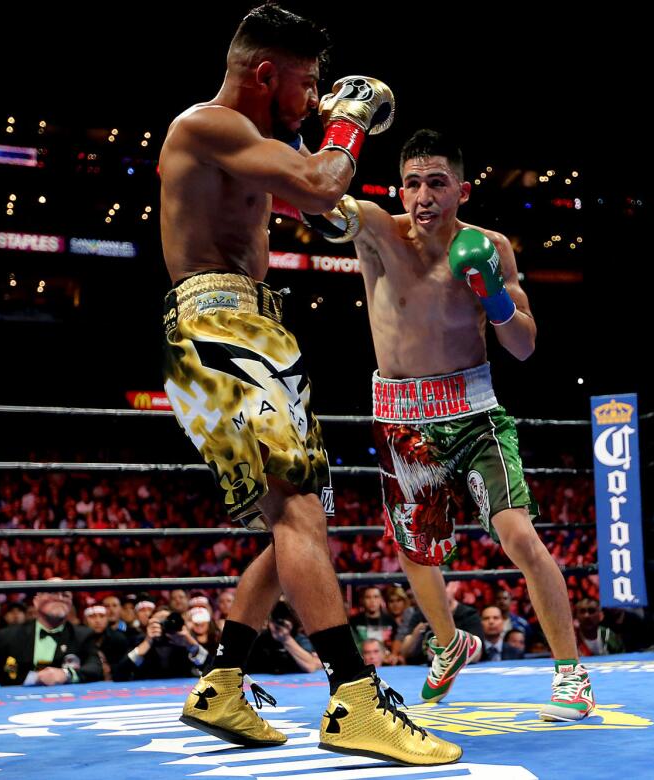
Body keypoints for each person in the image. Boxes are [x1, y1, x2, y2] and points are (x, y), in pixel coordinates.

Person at [157, 4, 456, 765]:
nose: (318, 95)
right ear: (267, 74)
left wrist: (325, 156)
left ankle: (223, 682)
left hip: (251, 328)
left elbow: (319, 203)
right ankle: (354, 699)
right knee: (298, 515)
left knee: (297, 521)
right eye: (310, 81)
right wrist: (349, 121)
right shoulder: (207, 125)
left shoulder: (250, 143)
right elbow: (323, 181)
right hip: (221, 327)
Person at [337, 128, 592, 721]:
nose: (422, 196)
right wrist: (336, 133)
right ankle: (451, 644)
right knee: (416, 552)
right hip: (401, 418)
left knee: (520, 536)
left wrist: (495, 298)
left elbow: (524, 348)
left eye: (436, 183)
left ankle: (571, 675)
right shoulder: (377, 230)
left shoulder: (490, 246)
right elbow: (318, 202)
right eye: (412, 183)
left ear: (463, 190)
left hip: (473, 411)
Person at [0, 586, 101, 687]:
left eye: (65, 595)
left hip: (67, 703)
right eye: (52, 592)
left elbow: (95, 669)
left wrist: (66, 674)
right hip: (16, 706)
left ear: (70, 604)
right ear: (36, 601)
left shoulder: (82, 635)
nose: (59, 598)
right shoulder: (8, 636)